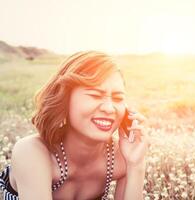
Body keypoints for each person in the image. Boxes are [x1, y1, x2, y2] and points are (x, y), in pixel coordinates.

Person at [0, 51, 150, 200]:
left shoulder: (120, 156)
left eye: (118, 98)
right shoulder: (32, 152)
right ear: (65, 98)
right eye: (95, 95)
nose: (109, 108)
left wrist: (136, 165)